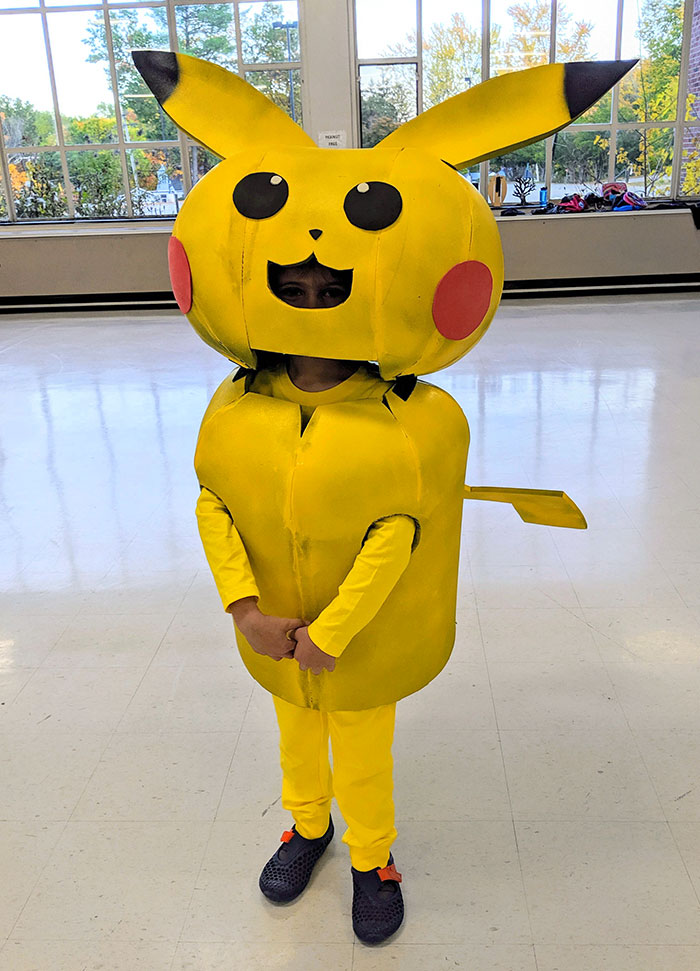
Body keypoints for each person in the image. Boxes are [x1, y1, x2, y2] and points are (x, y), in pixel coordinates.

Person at [196, 257, 412, 944]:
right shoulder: (243, 399)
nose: (311, 306)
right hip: (279, 627)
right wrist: (246, 610)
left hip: (359, 638)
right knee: (297, 740)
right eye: (292, 292)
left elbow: (397, 528)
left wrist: (336, 631)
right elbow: (216, 501)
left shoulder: (391, 406)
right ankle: (309, 826)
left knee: (362, 753)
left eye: (331, 291)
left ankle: (373, 857)